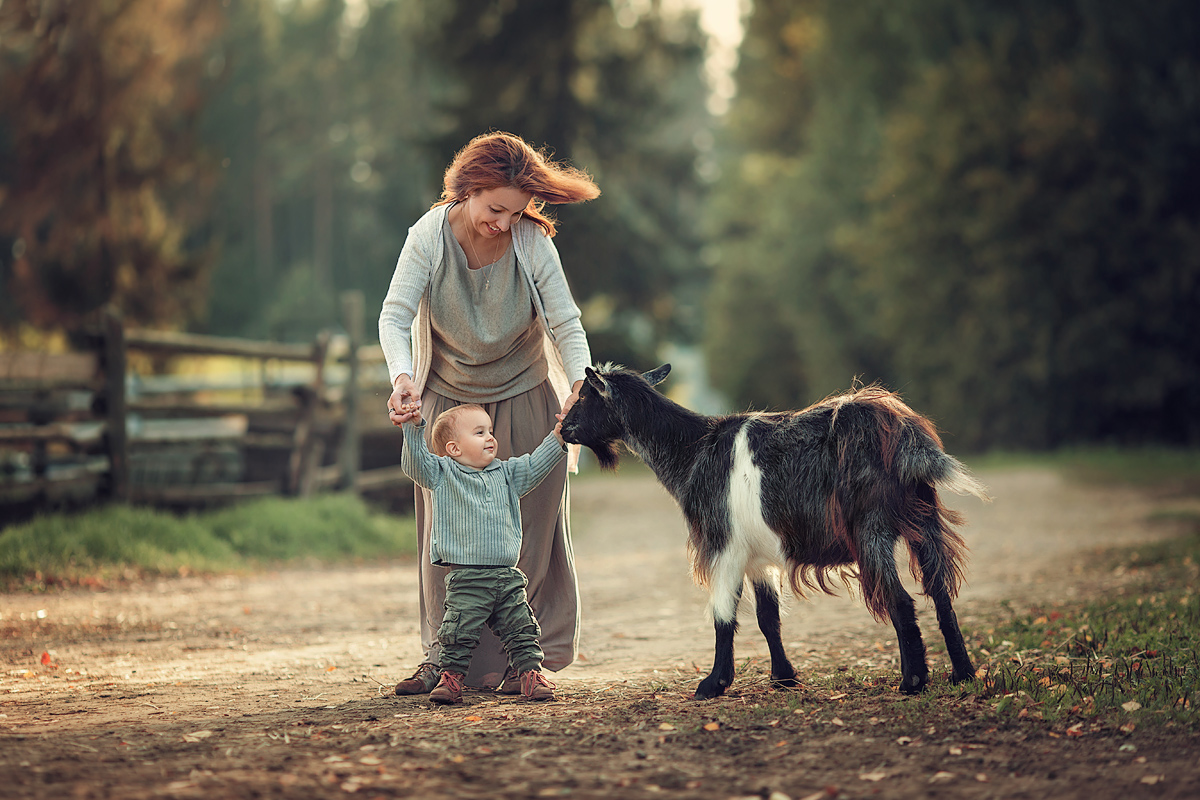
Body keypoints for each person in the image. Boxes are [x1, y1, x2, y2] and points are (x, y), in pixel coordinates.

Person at [379, 131, 600, 695]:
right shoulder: (428, 237)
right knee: (448, 538)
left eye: (516, 211)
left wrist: (579, 383)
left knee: (529, 531)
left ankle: (523, 664)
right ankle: (443, 659)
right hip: (450, 403)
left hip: (527, 393)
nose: (503, 222)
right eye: (494, 208)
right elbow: (395, 314)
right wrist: (402, 377)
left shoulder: (531, 243)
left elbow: (565, 323)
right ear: (468, 189)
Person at [397, 401, 566, 703]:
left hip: (507, 578)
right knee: (457, 634)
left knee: (522, 630)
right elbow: (414, 464)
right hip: (467, 579)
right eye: (479, 432)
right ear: (454, 449)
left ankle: (530, 676)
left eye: (490, 430)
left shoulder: (508, 474)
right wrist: (412, 428)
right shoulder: (442, 473)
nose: (490, 437)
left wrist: (558, 438)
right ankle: (450, 680)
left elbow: (535, 464)